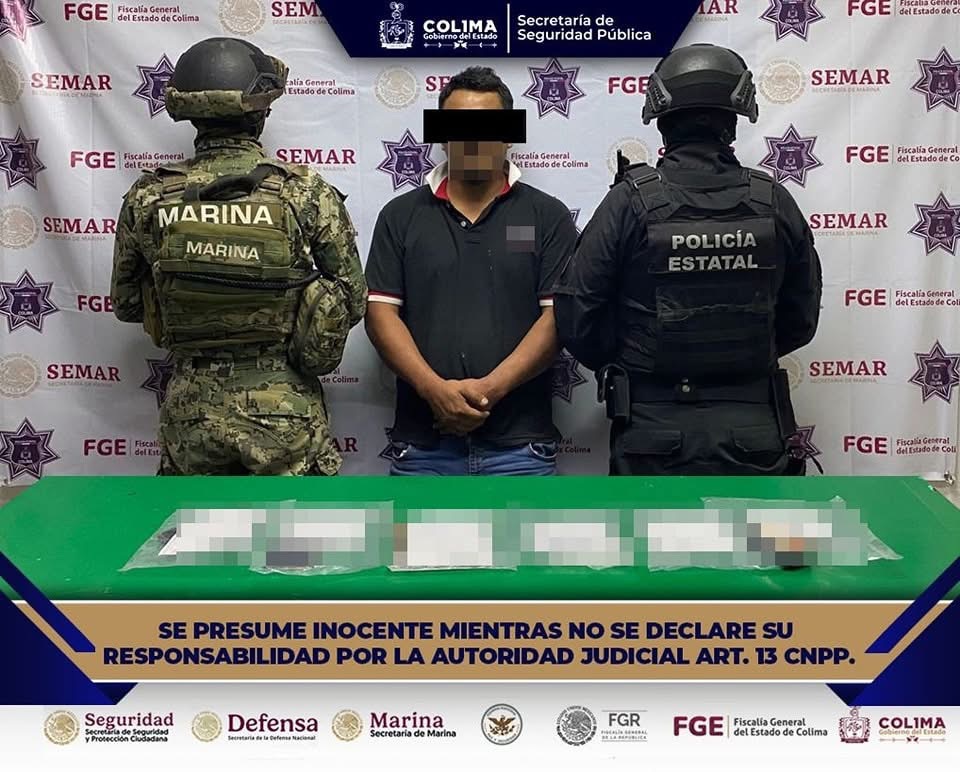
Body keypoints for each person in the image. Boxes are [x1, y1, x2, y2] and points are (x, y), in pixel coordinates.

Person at [554, 44, 822, 476]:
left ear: (661, 121)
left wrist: (634, 354)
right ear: (734, 120)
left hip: (651, 430)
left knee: (651, 525)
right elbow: (801, 318)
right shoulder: (772, 201)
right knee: (752, 526)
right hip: (753, 429)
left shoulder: (629, 202)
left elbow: (576, 313)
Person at [110, 37, 367, 475]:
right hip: (286, 412)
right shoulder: (303, 192)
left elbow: (128, 304)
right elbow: (353, 300)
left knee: (196, 521)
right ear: (262, 112)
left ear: (190, 114)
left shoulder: (149, 196)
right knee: (294, 523)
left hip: (191, 414)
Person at [365, 66, 578, 475]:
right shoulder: (401, 216)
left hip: (520, 451)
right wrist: (435, 391)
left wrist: (488, 392)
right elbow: (380, 314)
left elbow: (557, 319)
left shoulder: (546, 216)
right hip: (423, 448)